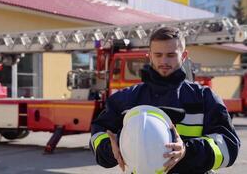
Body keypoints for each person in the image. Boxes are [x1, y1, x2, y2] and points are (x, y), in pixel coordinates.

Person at [90, 27, 240, 173]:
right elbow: (98, 134)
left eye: (171, 55)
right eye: (158, 55)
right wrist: (111, 148)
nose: (164, 61)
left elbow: (229, 146)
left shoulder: (204, 98)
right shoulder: (125, 99)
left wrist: (187, 151)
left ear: (184, 56)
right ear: (149, 55)